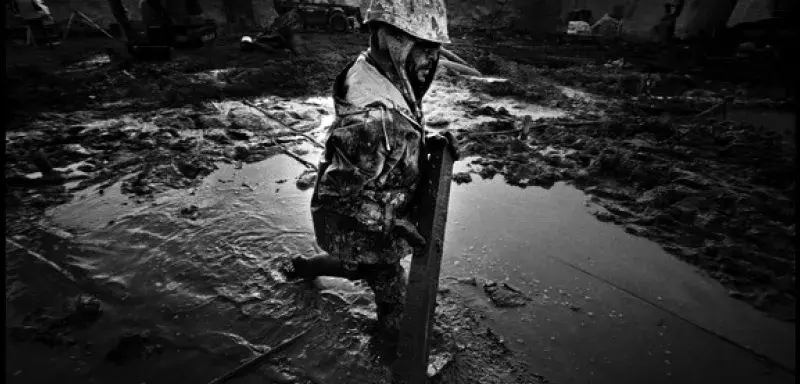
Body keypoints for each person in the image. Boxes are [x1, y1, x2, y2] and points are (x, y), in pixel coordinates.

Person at [283, 0, 458, 341]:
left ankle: (304, 267)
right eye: (420, 45)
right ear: (383, 37)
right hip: (369, 225)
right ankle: (392, 350)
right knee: (392, 299)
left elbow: (391, 141)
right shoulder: (373, 121)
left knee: (359, 267)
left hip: (373, 217)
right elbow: (336, 194)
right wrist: (394, 223)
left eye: (435, 47)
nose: (431, 58)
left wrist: (425, 144)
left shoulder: (376, 72)